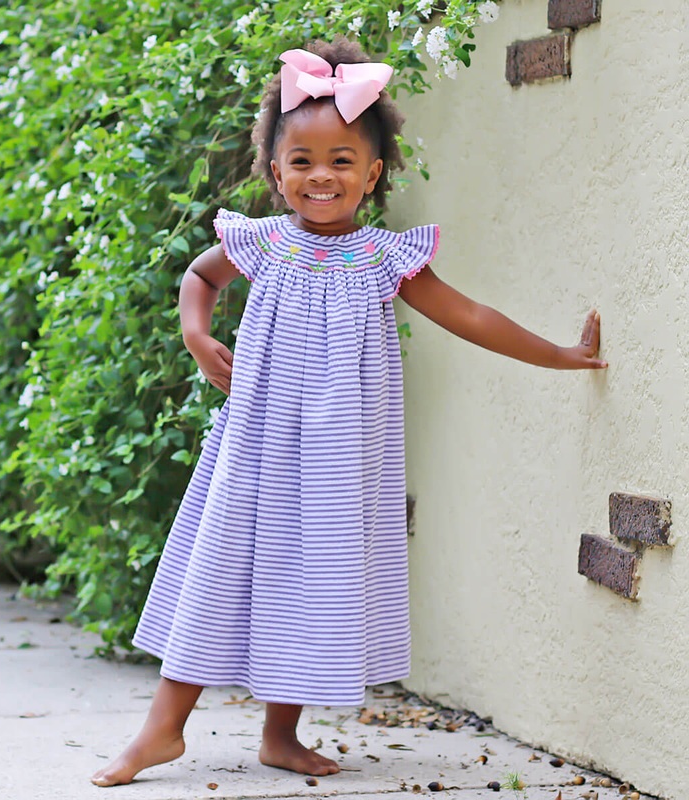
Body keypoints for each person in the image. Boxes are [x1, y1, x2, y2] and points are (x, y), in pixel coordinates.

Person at [90, 38, 607, 788]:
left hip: (340, 456)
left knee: (317, 576)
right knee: (222, 566)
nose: (320, 176)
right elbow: (198, 279)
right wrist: (197, 337)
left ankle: (281, 735)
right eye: (301, 161)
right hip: (260, 445)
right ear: (276, 173)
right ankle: (161, 730)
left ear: (371, 174)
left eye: (340, 161)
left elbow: (467, 314)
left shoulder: (384, 259)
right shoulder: (263, 243)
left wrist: (560, 354)